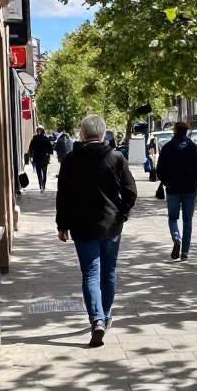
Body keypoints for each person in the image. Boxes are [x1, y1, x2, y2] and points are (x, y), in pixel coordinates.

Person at [56, 114, 138, 347]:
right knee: (109, 271)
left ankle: (97, 319)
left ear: (82, 134)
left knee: (91, 273)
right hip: (111, 225)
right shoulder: (115, 157)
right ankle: (106, 313)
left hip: (82, 226)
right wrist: (122, 211)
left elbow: (63, 196)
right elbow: (131, 191)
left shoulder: (71, 160)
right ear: (103, 133)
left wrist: (62, 225)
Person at [156, 122, 197, 261]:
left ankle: (176, 237)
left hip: (173, 188)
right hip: (190, 188)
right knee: (188, 220)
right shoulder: (194, 148)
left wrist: (166, 181)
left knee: (173, 218)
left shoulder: (167, 148)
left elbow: (160, 169)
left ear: (174, 131)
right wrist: (194, 179)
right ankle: (185, 252)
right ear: (186, 132)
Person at [29, 126, 54, 191]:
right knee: (44, 172)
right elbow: (50, 149)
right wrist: (49, 155)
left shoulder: (35, 138)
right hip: (44, 158)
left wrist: (31, 156)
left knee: (39, 172)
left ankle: (40, 185)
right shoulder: (46, 138)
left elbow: (31, 148)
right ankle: (43, 184)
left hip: (37, 157)